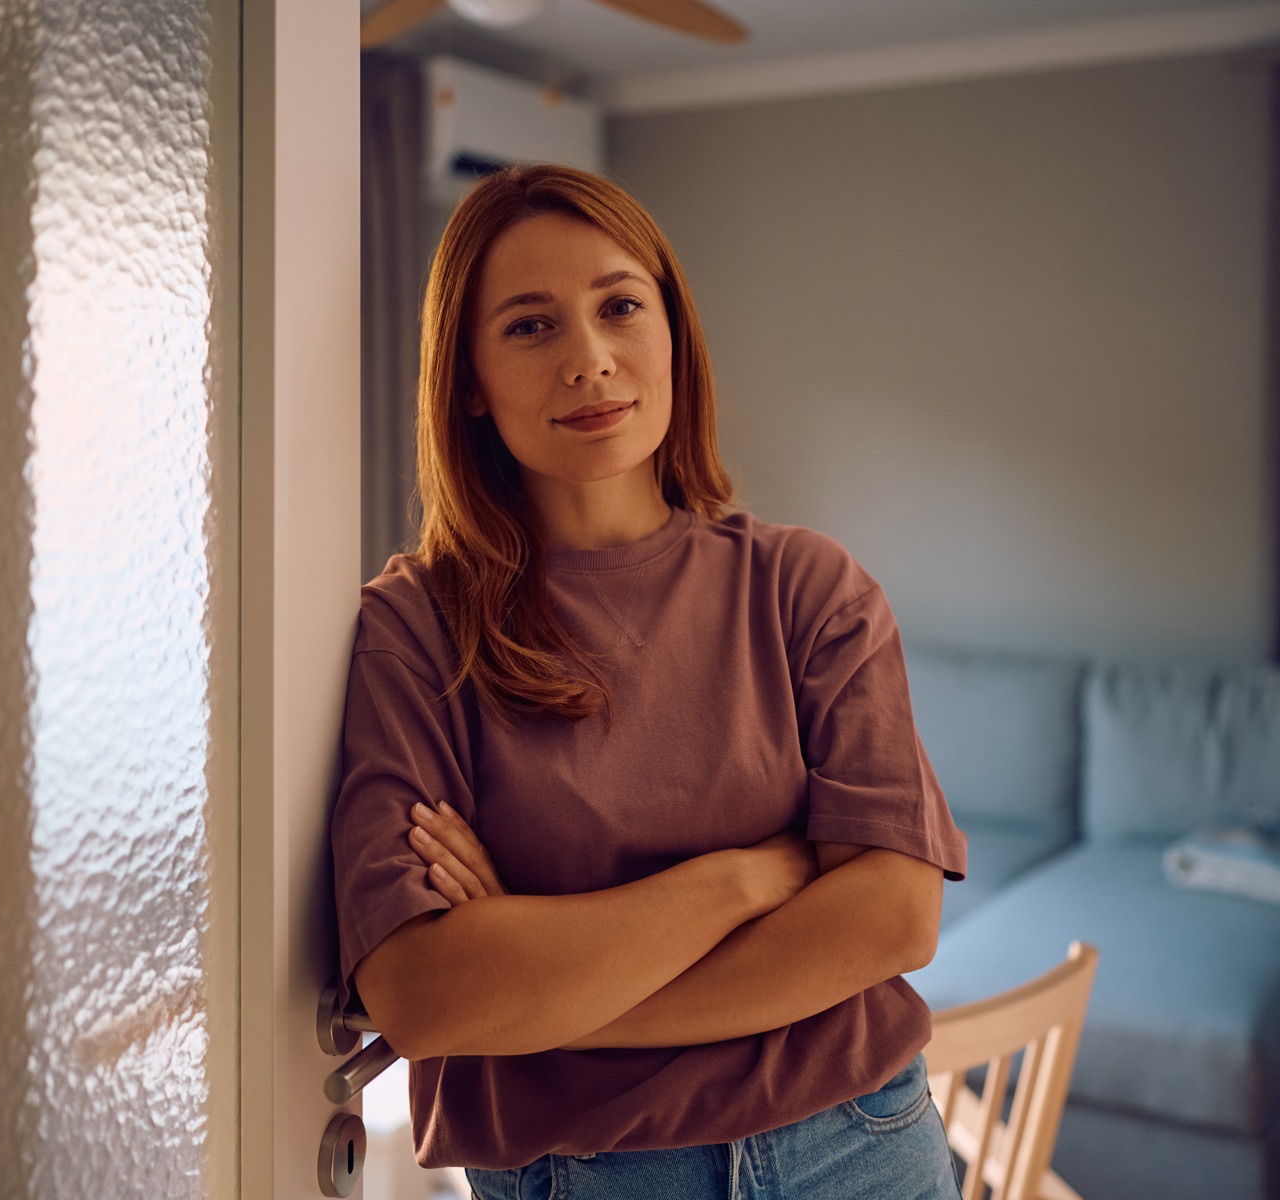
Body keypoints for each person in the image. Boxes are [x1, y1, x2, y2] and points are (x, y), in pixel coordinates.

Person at [332, 162, 969, 1200]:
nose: (590, 360)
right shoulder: (414, 630)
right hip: (586, 1178)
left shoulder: (806, 588)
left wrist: (547, 999)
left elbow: (894, 919)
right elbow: (423, 991)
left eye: (620, 306)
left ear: (671, 333)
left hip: (858, 1143)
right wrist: (747, 879)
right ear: (468, 383)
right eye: (531, 327)